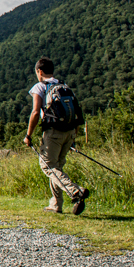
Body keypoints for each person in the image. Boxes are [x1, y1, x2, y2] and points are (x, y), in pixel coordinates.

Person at [22, 57, 89, 214]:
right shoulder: (64, 86)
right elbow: (75, 112)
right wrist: (73, 138)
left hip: (53, 133)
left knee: (48, 166)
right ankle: (56, 204)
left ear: (40, 71)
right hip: (70, 132)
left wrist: (28, 135)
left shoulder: (40, 87)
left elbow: (35, 112)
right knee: (56, 167)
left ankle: (75, 191)